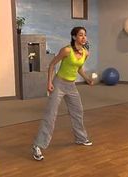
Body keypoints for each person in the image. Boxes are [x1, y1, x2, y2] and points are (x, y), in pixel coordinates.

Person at [32, 26, 94, 161]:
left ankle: (81, 138)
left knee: (78, 112)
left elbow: (79, 69)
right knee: (50, 115)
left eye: (85, 35)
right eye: (81, 35)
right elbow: (52, 65)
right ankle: (38, 145)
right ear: (74, 37)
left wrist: (87, 78)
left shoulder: (85, 53)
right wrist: (49, 83)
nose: (84, 38)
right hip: (59, 84)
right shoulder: (67, 50)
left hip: (71, 86)